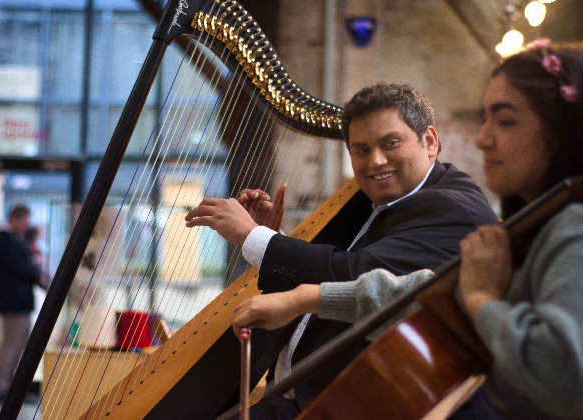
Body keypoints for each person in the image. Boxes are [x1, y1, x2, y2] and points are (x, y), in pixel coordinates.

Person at [232, 40, 583, 419]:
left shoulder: (570, 225)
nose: (482, 138)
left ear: (562, 129)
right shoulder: (541, 219)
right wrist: (304, 298)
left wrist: (483, 299)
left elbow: (562, 378)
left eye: (506, 120)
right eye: (361, 150)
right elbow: (427, 291)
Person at [186, 83, 498, 418]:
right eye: (361, 150)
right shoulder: (383, 198)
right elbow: (332, 270)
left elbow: (356, 274)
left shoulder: (450, 207)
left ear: (430, 142)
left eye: (391, 143)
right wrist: (271, 234)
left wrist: (256, 238)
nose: (376, 161)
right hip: (302, 400)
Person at [0, 204, 43, 401]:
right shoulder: (3, 240)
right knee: (11, 346)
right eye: (25, 222)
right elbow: (20, 267)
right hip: (13, 301)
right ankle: (0, 388)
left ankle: (9, 389)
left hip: (17, 300)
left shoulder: (12, 239)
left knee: (16, 347)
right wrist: (35, 270)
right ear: (14, 219)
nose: (27, 226)